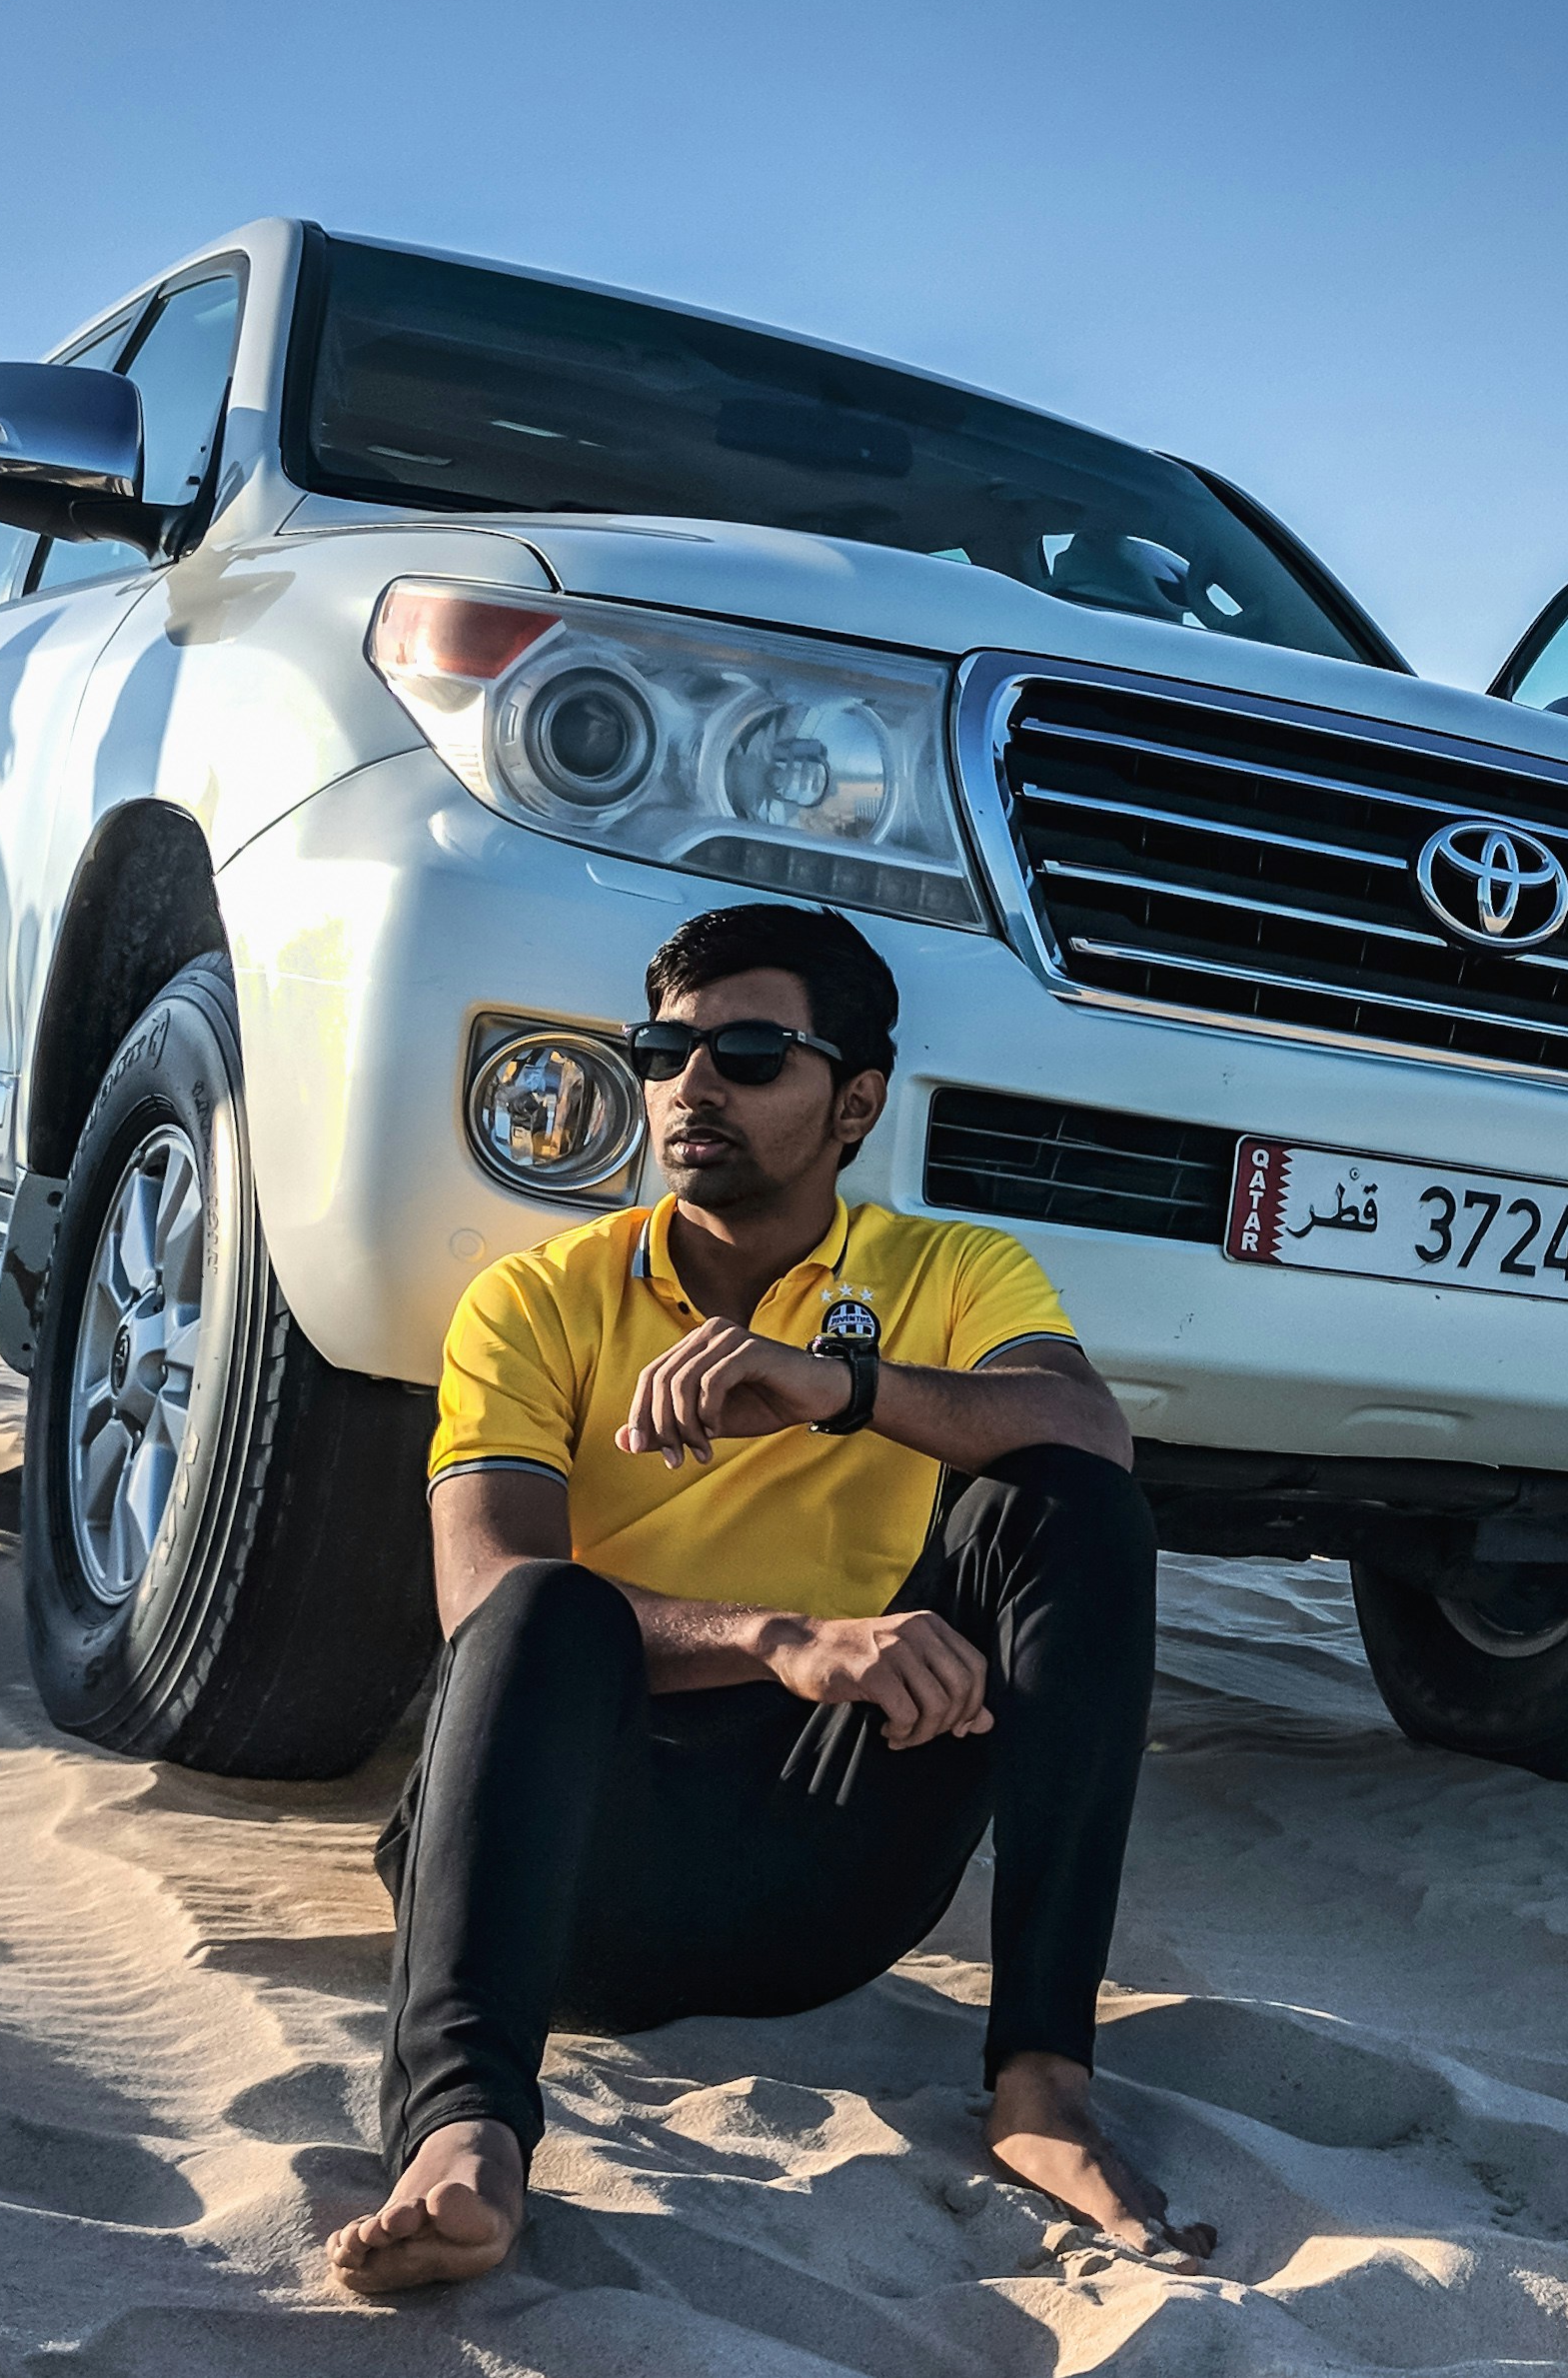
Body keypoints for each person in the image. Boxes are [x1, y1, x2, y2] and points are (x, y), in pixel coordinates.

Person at [327, 902, 1208, 2293]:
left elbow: (1089, 1429)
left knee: (1070, 1500)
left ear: (854, 1100)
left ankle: (1040, 2076)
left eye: (747, 1050)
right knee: (545, 1605)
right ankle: (463, 2130)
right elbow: (481, 1595)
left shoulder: (944, 1271)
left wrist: (841, 1387)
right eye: (665, 1048)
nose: (690, 1084)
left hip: (822, 1877)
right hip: (556, 1867)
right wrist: (777, 1636)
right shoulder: (535, 1298)